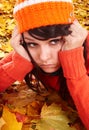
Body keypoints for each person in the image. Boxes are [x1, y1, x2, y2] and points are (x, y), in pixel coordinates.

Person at [0, 0, 89, 129]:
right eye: (32, 43)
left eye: (54, 42)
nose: (43, 57)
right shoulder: (26, 52)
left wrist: (74, 64)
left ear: (71, 35)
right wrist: (18, 65)